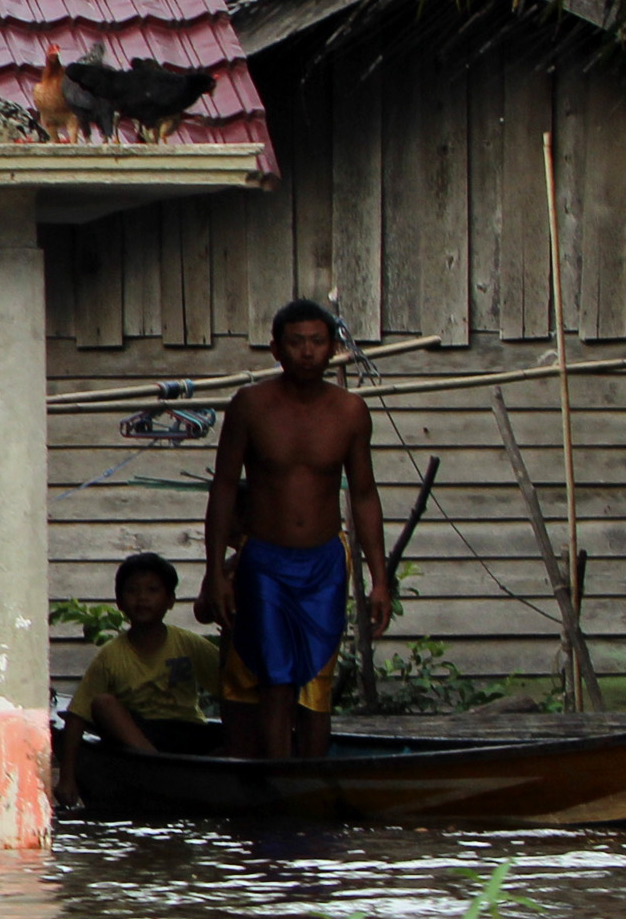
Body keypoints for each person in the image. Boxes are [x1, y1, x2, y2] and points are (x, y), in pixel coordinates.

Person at [200, 298, 392, 759]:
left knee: (316, 682)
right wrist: (213, 571)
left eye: (317, 342)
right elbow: (224, 488)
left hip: (325, 560)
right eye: (297, 342)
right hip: (265, 558)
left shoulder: (350, 412)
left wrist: (379, 579)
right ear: (276, 349)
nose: (307, 352)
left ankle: (311, 783)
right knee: (276, 677)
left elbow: (364, 494)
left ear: (333, 349)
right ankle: (277, 783)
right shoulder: (249, 406)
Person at [75, 552, 216, 753]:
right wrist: (67, 779)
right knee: (102, 703)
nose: (142, 598)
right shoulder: (111, 654)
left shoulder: (189, 644)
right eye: (132, 590)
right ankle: (156, 763)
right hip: (140, 736)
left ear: (170, 600)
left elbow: (228, 684)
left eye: (152, 590)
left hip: (188, 730)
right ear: (120, 602)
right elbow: (78, 713)